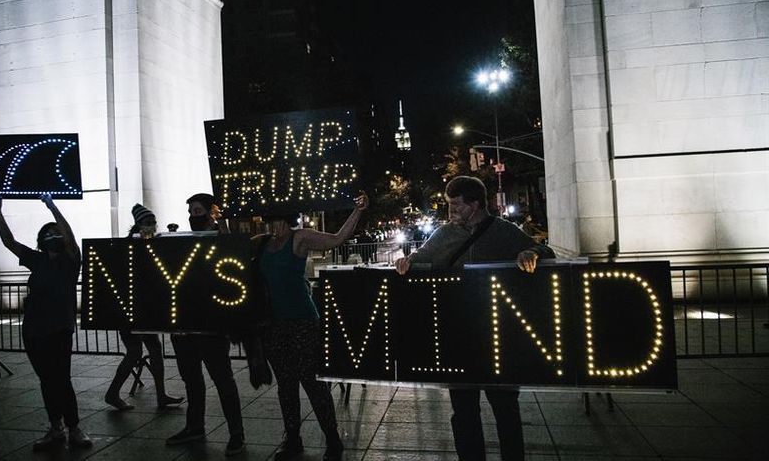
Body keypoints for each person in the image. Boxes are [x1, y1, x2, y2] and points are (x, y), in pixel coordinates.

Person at [394, 176, 554, 461]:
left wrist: (532, 252)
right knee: (464, 411)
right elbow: (422, 256)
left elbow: (546, 251)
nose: (450, 211)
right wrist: (406, 262)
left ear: (475, 204)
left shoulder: (504, 232)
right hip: (459, 335)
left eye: (455, 205)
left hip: (498, 337)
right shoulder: (445, 234)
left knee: (506, 408)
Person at [258, 192, 369, 461]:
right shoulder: (262, 243)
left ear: (289, 219)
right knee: (286, 385)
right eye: (272, 221)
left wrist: (358, 211)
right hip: (274, 324)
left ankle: (332, 439)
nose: (277, 226)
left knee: (312, 382)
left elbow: (337, 239)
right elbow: (231, 247)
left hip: (302, 321)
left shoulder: (300, 237)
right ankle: (293, 438)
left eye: (281, 220)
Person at [0, 193, 93, 452]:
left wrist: (53, 208)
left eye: (56, 232)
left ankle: (74, 427)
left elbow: (69, 237)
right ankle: (55, 426)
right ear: (41, 241)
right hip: (34, 331)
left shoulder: (71, 261)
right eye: (48, 233)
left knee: (62, 379)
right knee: (47, 380)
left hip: (60, 328)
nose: (53, 236)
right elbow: (8, 241)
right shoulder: (37, 260)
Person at [166, 193, 245, 456]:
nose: (192, 216)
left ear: (211, 213)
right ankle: (194, 426)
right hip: (185, 327)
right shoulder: (187, 242)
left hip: (212, 327)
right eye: (190, 211)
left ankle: (236, 433)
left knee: (223, 380)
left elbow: (232, 248)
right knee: (192, 381)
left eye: (198, 211)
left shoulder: (218, 240)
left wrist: (221, 225)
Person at [104, 204, 183, 410]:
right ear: (138, 225)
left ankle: (160, 394)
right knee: (134, 352)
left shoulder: (151, 245)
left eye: (153, 223)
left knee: (155, 350)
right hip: (131, 310)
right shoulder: (129, 248)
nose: (152, 227)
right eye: (147, 223)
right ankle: (113, 393)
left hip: (147, 309)